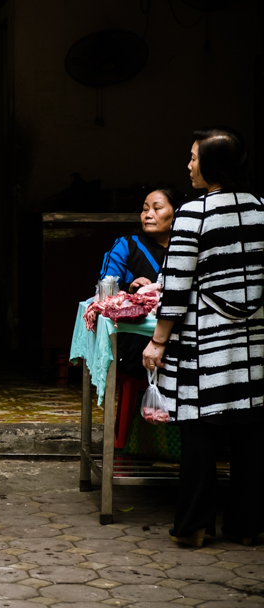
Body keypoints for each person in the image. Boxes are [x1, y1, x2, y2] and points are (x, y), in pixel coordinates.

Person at [143, 127, 264, 547]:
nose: (189, 165)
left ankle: (194, 525)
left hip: (204, 342)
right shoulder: (261, 209)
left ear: (212, 164)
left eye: (194, 158)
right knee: (249, 434)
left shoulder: (194, 213)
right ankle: (246, 527)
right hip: (253, 344)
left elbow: (175, 286)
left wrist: (157, 340)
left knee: (198, 432)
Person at [98, 188, 180, 377]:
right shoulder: (127, 245)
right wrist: (129, 290)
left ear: (177, 215)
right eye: (145, 209)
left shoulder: (188, 249)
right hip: (136, 345)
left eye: (157, 208)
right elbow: (105, 292)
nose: (148, 215)